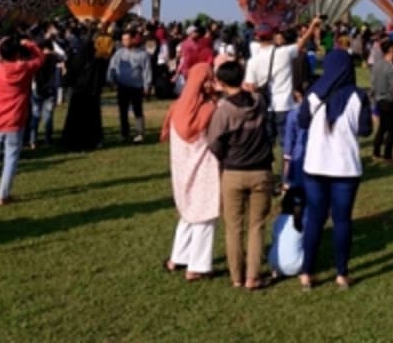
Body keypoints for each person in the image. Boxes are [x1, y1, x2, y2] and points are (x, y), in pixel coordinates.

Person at [298, 49, 372, 290]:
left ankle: (306, 272)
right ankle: (341, 273)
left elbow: (301, 121)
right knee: (342, 221)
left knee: (315, 219)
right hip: (345, 167)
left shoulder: (313, 94)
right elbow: (365, 130)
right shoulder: (358, 97)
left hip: (315, 165)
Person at [206, 60, 273, 290]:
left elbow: (214, 143)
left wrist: (225, 158)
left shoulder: (223, 111)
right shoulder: (259, 101)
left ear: (221, 83)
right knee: (257, 226)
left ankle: (237, 277)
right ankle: (252, 277)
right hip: (261, 170)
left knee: (234, 227)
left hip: (233, 171)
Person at [161, 63, 219, 282]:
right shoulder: (208, 110)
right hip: (203, 168)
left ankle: (178, 256)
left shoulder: (176, 107)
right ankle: (197, 266)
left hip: (181, 167)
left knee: (188, 213)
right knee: (205, 215)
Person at [0, 37, 44, 205]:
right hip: (15, 119)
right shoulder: (24, 69)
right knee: (11, 158)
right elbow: (40, 58)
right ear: (16, 53)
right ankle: (3, 194)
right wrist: (29, 44)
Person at [61, 27, 103, 151]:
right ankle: (91, 141)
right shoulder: (97, 62)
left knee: (75, 120)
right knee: (91, 121)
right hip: (91, 96)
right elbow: (99, 80)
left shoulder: (77, 61)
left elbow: (69, 77)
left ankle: (71, 142)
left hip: (78, 94)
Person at [107, 32, 153, 143]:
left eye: (127, 39)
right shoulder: (119, 53)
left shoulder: (143, 55)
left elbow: (147, 71)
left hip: (137, 87)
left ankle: (139, 133)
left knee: (138, 110)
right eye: (123, 40)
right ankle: (124, 133)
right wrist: (110, 80)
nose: (125, 42)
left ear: (133, 40)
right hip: (122, 86)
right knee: (122, 111)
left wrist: (147, 86)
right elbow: (112, 67)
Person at [370, 39, 393, 162]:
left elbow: (372, 83)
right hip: (389, 100)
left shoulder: (376, 65)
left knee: (382, 127)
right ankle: (388, 155)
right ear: (391, 50)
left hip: (379, 99)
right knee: (392, 129)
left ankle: (376, 152)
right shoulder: (390, 67)